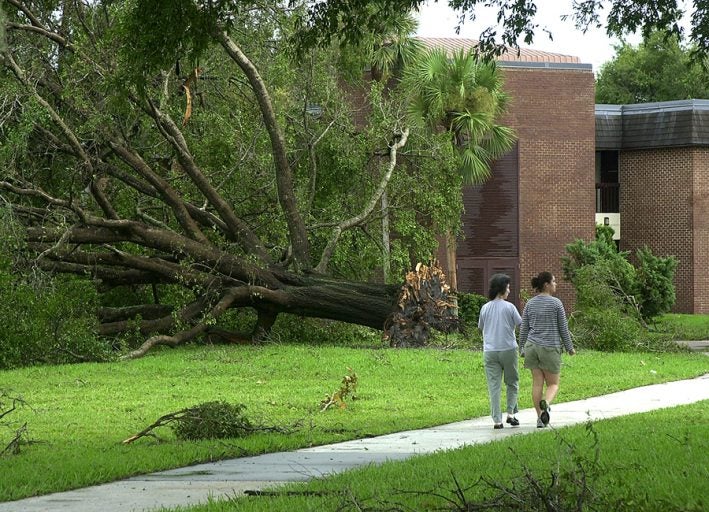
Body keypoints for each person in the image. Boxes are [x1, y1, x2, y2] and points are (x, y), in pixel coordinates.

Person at [519, 271, 576, 428]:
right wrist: (570, 347)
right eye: (554, 281)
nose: (555, 284)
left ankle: (540, 418)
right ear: (546, 285)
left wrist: (521, 347)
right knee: (553, 384)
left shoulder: (530, 303)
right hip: (550, 347)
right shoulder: (556, 303)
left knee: (537, 383)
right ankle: (547, 403)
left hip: (531, 347)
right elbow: (563, 328)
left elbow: (524, 328)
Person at [478, 273, 523, 430]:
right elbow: (520, 324)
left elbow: (481, 327)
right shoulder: (510, 307)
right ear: (503, 289)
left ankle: (497, 420)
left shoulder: (485, 308)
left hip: (490, 351)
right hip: (508, 349)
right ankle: (511, 414)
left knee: (494, 386)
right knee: (512, 382)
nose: (509, 291)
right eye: (508, 287)